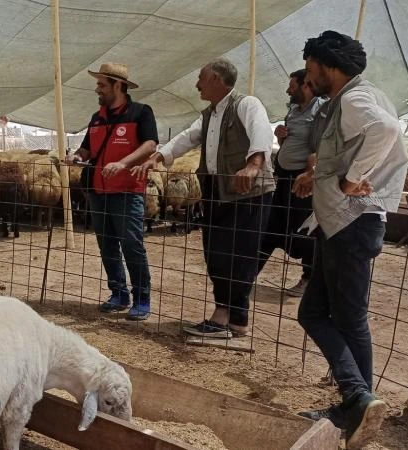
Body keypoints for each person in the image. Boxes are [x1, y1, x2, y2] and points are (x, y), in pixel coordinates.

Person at [291, 30, 407, 449]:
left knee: (345, 317)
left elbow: (385, 130)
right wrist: (318, 173)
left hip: (353, 221)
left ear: (329, 68)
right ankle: (357, 399)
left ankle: (358, 399)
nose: (309, 78)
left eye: (310, 70)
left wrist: (351, 179)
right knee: (316, 312)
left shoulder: (356, 99)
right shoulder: (358, 95)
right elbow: (355, 143)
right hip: (341, 222)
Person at [132, 57, 275, 338]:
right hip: (217, 191)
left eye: (201, 78)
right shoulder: (210, 114)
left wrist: (254, 164)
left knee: (240, 254)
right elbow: (188, 136)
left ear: (216, 80)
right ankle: (233, 318)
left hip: (247, 192)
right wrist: (159, 156)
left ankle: (228, 318)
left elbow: (261, 131)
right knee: (216, 253)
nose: (197, 83)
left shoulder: (246, 104)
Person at [65, 63, 158, 321]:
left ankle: (142, 297)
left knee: (132, 245)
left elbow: (151, 144)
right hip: (98, 191)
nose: (97, 89)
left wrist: (123, 163)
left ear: (118, 85)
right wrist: (76, 157)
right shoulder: (97, 118)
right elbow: (87, 149)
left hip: (127, 192)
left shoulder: (140, 113)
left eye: (101, 84)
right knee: (106, 245)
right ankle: (118, 293)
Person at [255, 70, 325, 297]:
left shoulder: (320, 111)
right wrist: (280, 136)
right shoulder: (293, 110)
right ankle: (248, 273)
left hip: (303, 180)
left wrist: (310, 174)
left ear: (306, 85)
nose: (288, 90)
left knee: (305, 230)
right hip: (285, 177)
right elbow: (289, 141)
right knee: (273, 224)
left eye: (292, 86)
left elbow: (318, 148)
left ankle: (309, 277)